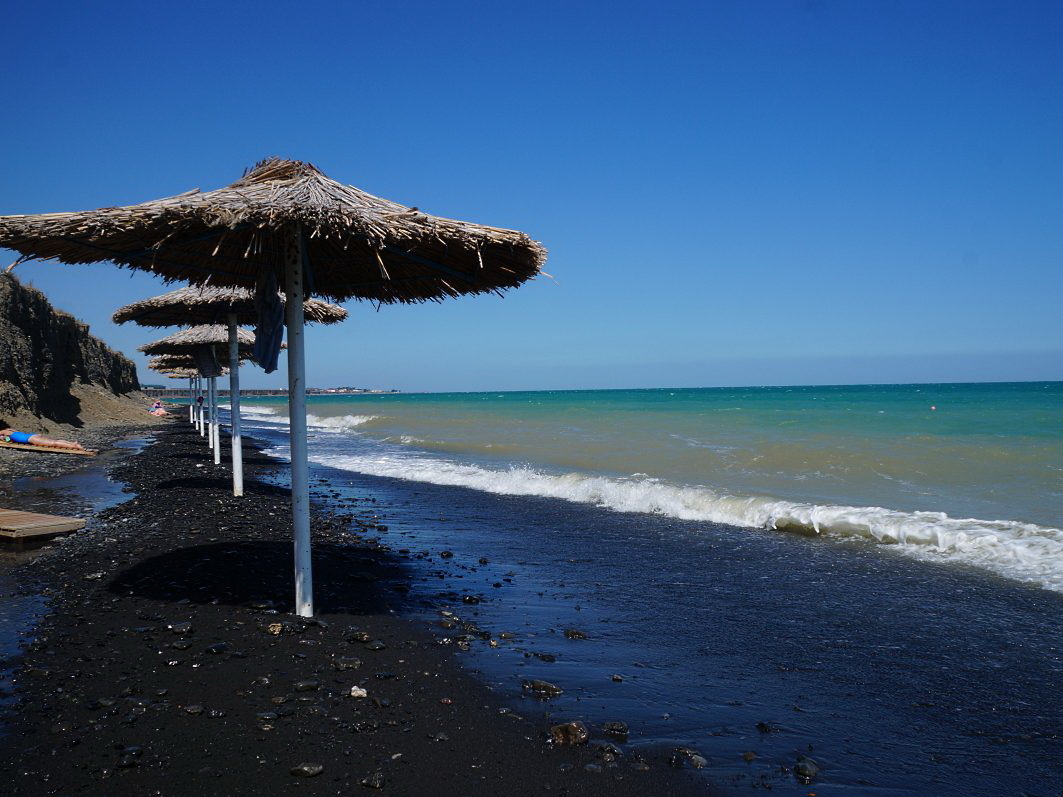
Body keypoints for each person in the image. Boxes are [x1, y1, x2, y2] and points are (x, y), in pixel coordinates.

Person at [0, 425, 87, 451]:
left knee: (53, 443)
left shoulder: (3, 432)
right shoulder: (9, 430)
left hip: (31, 439)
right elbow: (11, 438)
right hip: (33, 436)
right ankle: (73, 444)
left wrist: (2, 439)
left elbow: (8, 440)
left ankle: (74, 446)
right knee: (54, 441)